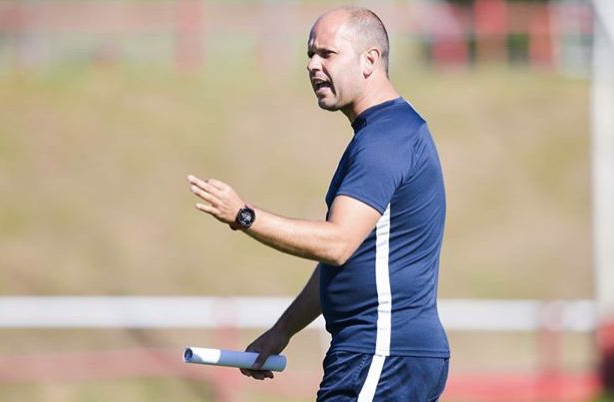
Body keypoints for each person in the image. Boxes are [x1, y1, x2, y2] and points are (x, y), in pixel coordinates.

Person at [186, 6, 449, 402]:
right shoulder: (381, 133)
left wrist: (243, 216)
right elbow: (344, 260)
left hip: (381, 351)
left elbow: (337, 243)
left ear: (369, 60)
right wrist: (283, 330)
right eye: (310, 54)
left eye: (327, 54)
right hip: (381, 352)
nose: (312, 65)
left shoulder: (385, 138)